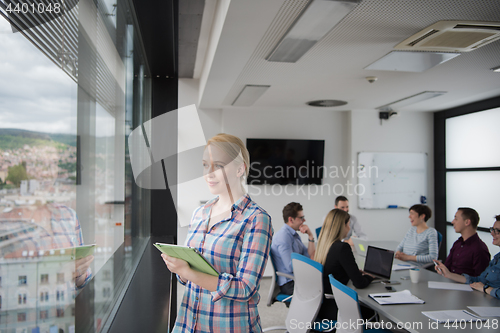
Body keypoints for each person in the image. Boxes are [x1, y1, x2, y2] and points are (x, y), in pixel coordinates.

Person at [161, 133, 273, 332]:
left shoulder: (256, 219)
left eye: (219, 165)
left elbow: (245, 288)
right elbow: (187, 276)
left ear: (240, 169)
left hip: (229, 326)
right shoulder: (200, 213)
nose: (209, 173)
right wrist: (180, 269)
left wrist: (188, 272)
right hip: (189, 322)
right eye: (205, 165)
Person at [314, 209, 374, 322]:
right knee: (372, 311)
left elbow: (335, 268)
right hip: (336, 307)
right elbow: (360, 283)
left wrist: (354, 272)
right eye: (348, 224)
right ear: (342, 225)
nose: (349, 228)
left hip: (321, 305)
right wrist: (370, 276)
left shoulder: (323, 245)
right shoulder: (342, 247)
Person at [434, 215, 500, 299]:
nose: (492, 233)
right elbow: (479, 280)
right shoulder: (497, 258)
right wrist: (449, 274)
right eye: (492, 229)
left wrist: (486, 289)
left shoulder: (479, 248)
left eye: (497, 231)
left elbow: (482, 284)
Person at [270, 202, 315, 295]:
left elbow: (310, 255)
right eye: (301, 218)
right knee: (318, 292)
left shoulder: (294, 235)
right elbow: (290, 266)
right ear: (291, 219)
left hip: (298, 279)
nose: (304, 220)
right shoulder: (284, 237)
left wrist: (310, 236)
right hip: (289, 283)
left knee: (322, 286)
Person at [444, 207, 490, 275]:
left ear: (467, 222)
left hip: (465, 285)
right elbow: (447, 267)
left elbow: (481, 279)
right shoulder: (458, 243)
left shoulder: (479, 249)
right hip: (449, 281)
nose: (452, 222)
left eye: (456, 219)